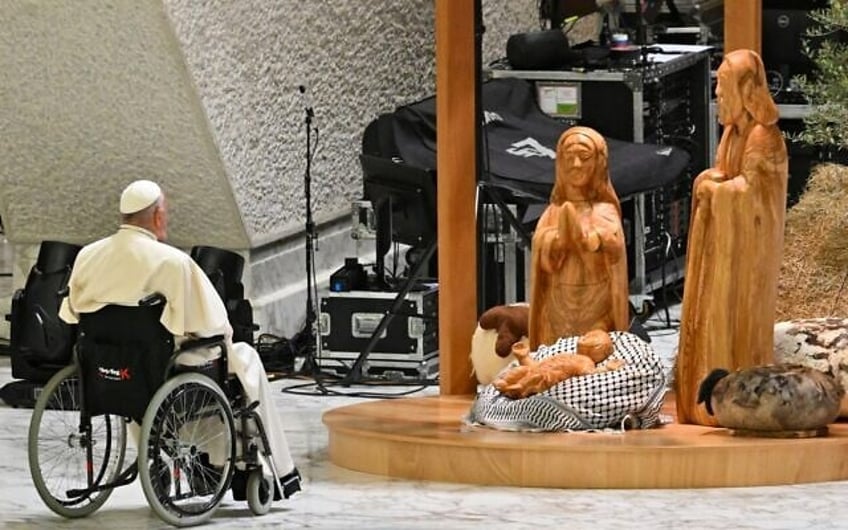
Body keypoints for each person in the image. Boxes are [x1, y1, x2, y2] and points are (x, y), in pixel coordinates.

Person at [59, 179, 301, 497]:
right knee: (241, 360)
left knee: (139, 370)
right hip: (159, 367)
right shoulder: (172, 262)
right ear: (158, 216)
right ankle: (265, 470)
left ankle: (174, 461)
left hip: (108, 369)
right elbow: (213, 327)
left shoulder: (88, 256)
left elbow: (69, 313)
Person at [675, 49, 788, 426]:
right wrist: (708, 181)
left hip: (746, 257)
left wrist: (717, 191)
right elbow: (727, 175)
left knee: (735, 328)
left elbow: (756, 195)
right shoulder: (732, 133)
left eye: (723, 90)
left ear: (746, 90)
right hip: (723, 250)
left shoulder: (762, 137)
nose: (718, 98)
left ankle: (735, 402)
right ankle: (701, 400)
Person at [528, 126, 629, 350]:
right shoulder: (553, 212)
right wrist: (556, 242)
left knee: (593, 353)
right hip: (558, 303)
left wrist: (592, 241)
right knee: (555, 357)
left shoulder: (604, 209)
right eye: (569, 158)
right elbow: (540, 249)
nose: (576, 165)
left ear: (599, 163)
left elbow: (615, 248)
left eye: (584, 157)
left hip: (596, 304)